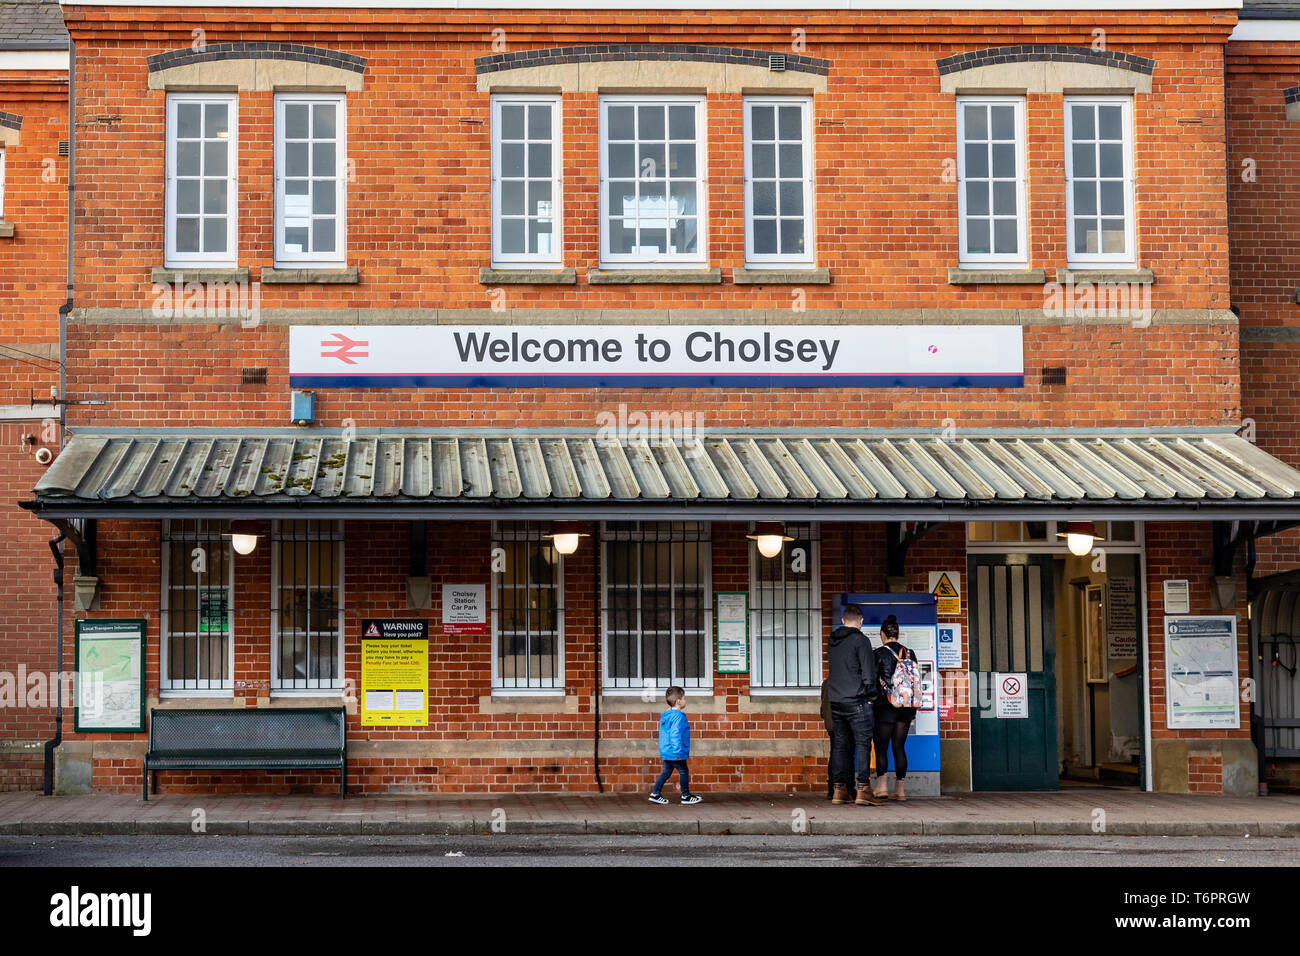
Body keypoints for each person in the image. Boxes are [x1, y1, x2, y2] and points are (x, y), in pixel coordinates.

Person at [826, 604, 881, 806]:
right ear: (861, 621)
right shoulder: (861, 640)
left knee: (840, 745)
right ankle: (863, 789)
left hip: (836, 700)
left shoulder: (832, 641)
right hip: (858, 700)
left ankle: (839, 790)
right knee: (863, 744)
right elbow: (869, 673)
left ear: (842, 620)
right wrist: (871, 697)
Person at [872, 614, 919, 802]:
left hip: (885, 707)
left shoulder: (878, 654)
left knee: (881, 747)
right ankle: (900, 791)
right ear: (897, 635)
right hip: (906, 707)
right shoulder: (910, 653)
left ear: (883, 634)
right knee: (899, 746)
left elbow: (872, 681)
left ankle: (882, 787)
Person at [649, 686, 702, 805]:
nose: (685, 700)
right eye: (684, 698)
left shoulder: (667, 715)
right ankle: (686, 795)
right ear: (679, 701)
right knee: (683, 771)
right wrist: (678, 751)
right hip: (675, 751)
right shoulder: (678, 716)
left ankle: (655, 794)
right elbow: (675, 734)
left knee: (666, 772)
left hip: (666, 750)